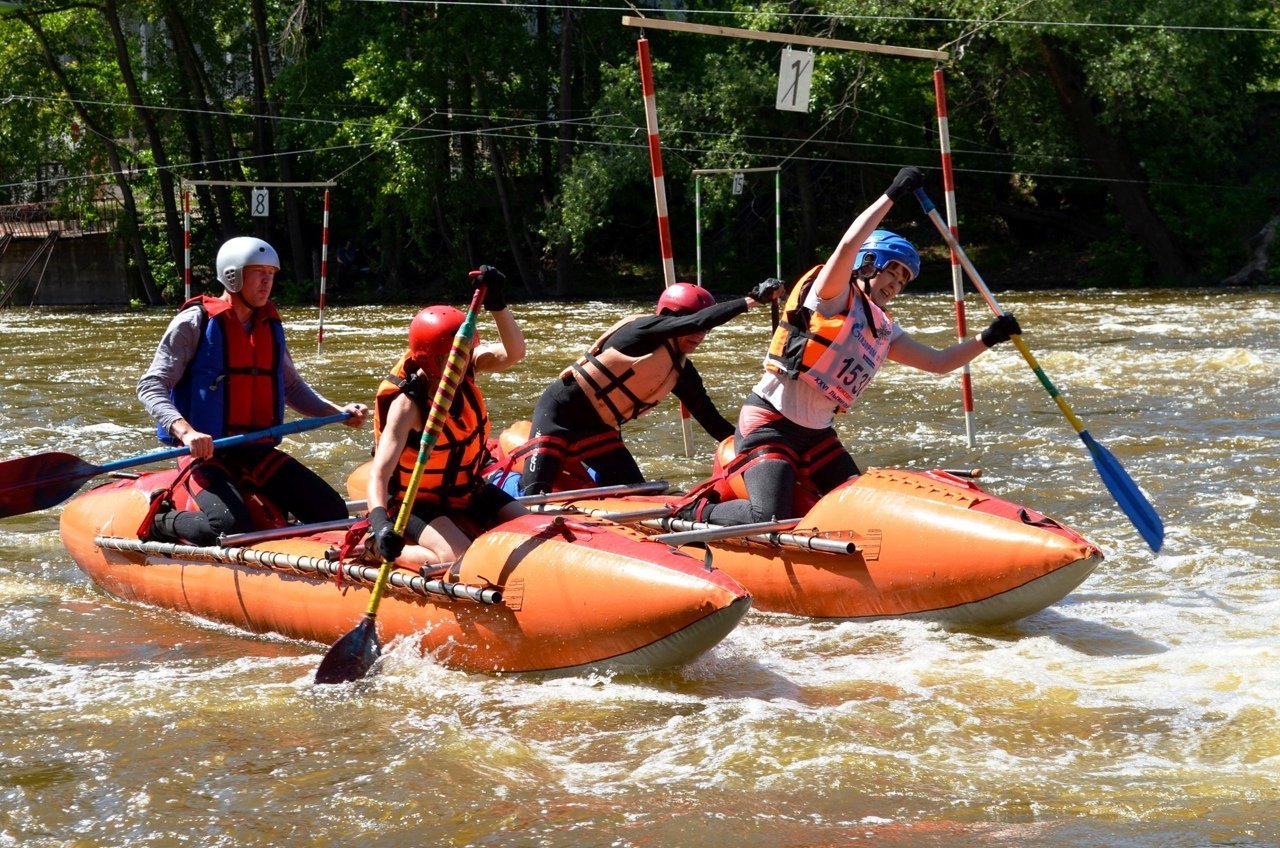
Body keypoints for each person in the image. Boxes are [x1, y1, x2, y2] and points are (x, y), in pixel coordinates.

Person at [679, 167, 1022, 527]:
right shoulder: (830, 295)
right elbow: (847, 244)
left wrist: (990, 337)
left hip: (817, 435)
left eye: (903, 280)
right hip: (770, 424)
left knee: (858, 513)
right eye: (892, 271)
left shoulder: (885, 330)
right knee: (770, 515)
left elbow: (939, 362)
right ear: (868, 263)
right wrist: (892, 193)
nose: (895, 284)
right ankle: (695, 511)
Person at [137, 236, 369, 544]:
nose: (267, 281)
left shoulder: (269, 326)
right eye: (258, 272)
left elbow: (292, 388)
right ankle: (163, 521)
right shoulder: (193, 322)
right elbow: (151, 385)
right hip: (206, 455)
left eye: (271, 273)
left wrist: (336, 412)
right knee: (229, 527)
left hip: (255, 450)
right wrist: (186, 432)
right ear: (232, 275)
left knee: (332, 511)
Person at [517, 278, 786, 497]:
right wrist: (751, 300)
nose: (699, 335)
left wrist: (757, 447)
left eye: (704, 330)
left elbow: (711, 421)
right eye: (693, 326)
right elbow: (696, 321)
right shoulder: (640, 332)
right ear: (669, 319)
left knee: (640, 495)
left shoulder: (682, 372)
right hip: (560, 414)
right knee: (534, 494)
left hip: (598, 430)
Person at [365, 266, 527, 568]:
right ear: (428, 359)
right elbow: (379, 474)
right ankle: (375, 548)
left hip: (465, 490)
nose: (461, 361)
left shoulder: (466, 367)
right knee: (459, 557)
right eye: (451, 356)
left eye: (465, 352)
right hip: (415, 502)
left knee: (532, 529)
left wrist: (498, 304)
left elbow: (514, 352)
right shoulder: (408, 406)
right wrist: (380, 525)